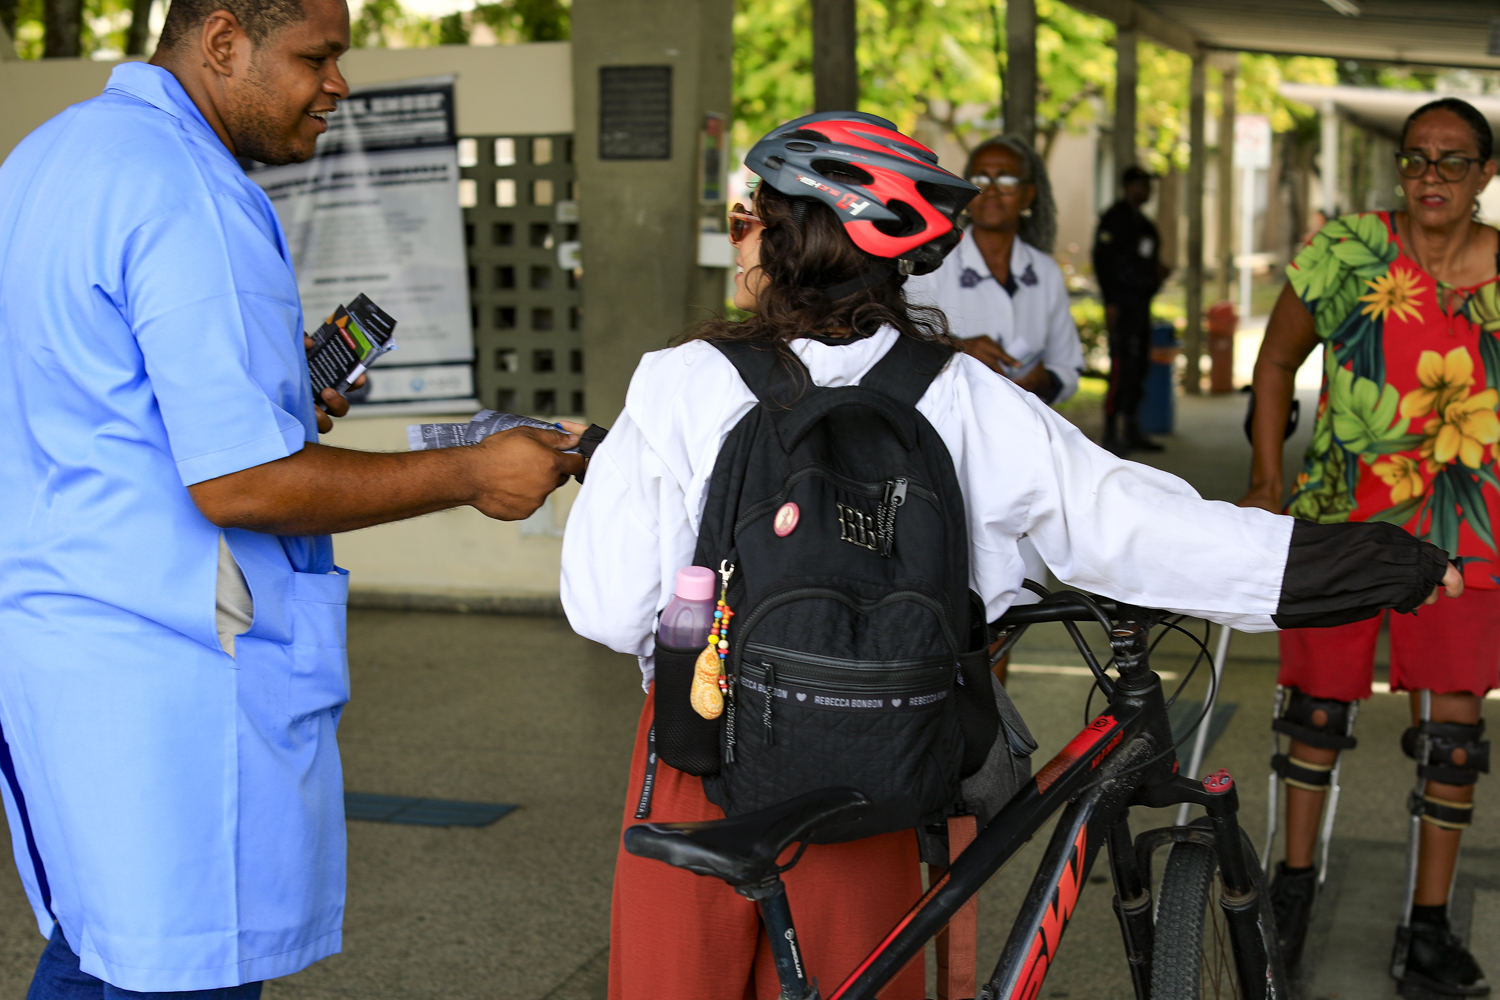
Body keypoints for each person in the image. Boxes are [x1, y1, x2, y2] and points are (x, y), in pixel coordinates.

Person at [560, 111, 1460, 1000]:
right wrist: (1387, 566)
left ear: (795, 235)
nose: (742, 238)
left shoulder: (678, 382)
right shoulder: (965, 398)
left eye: (749, 218)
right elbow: (1141, 531)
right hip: (872, 772)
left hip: (696, 759)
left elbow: (607, 609)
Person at [0, 0, 582, 995]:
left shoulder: (46, 161)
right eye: (318, 56)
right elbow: (242, 481)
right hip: (173, 680)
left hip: (64, 655)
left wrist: (276, 393)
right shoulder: (190, 191)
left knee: (101, 950)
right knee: (177, 966)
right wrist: (474, 471)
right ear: (223, 41)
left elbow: (97, 402)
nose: (339, 83)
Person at [1240, 97, 1500, 997]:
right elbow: (1275, 363)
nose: (1432, 176)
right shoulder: (1347, 253)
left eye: (1454, 161)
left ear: (1487, 176)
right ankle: (1293, 890)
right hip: (1344, 516)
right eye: (1417, 158)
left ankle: (1427, 929)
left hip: (1469, 535)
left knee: (1453, 740)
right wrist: (1268, 478)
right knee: (1314, 715)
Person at [905, 134, 1085, 406]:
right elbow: (900, 346)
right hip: (951, 428)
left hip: (1025, 427)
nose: (991, 190)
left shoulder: (1045, 272)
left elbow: (1068, 366)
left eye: (1006, 180)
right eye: (980, 179)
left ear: (1028, 195)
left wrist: (1043, 380)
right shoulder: (931, 263)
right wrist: (957, 349)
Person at [1093, 164, 1171, 454]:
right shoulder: (1114, 219)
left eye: (1149, 186)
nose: (1147, 191)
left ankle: (1133, 428)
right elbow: (1103, 262)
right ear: (1129, 186)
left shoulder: (1145, 225)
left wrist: (1157, 272)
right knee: (1121, 367)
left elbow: (1146, 261)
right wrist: (1110, 301)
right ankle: (1111, 431)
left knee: (1138, 367)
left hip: (1140, 306)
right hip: (1121, 305)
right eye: (1142, 185)